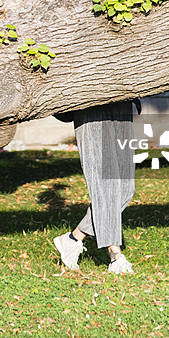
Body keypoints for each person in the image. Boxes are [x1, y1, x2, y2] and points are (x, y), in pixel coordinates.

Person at [53, 101, 138, 274]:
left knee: (126, 189)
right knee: (106, 184)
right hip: (90, 102)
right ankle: (115, 255)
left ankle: (74, 238)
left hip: (122, 98)